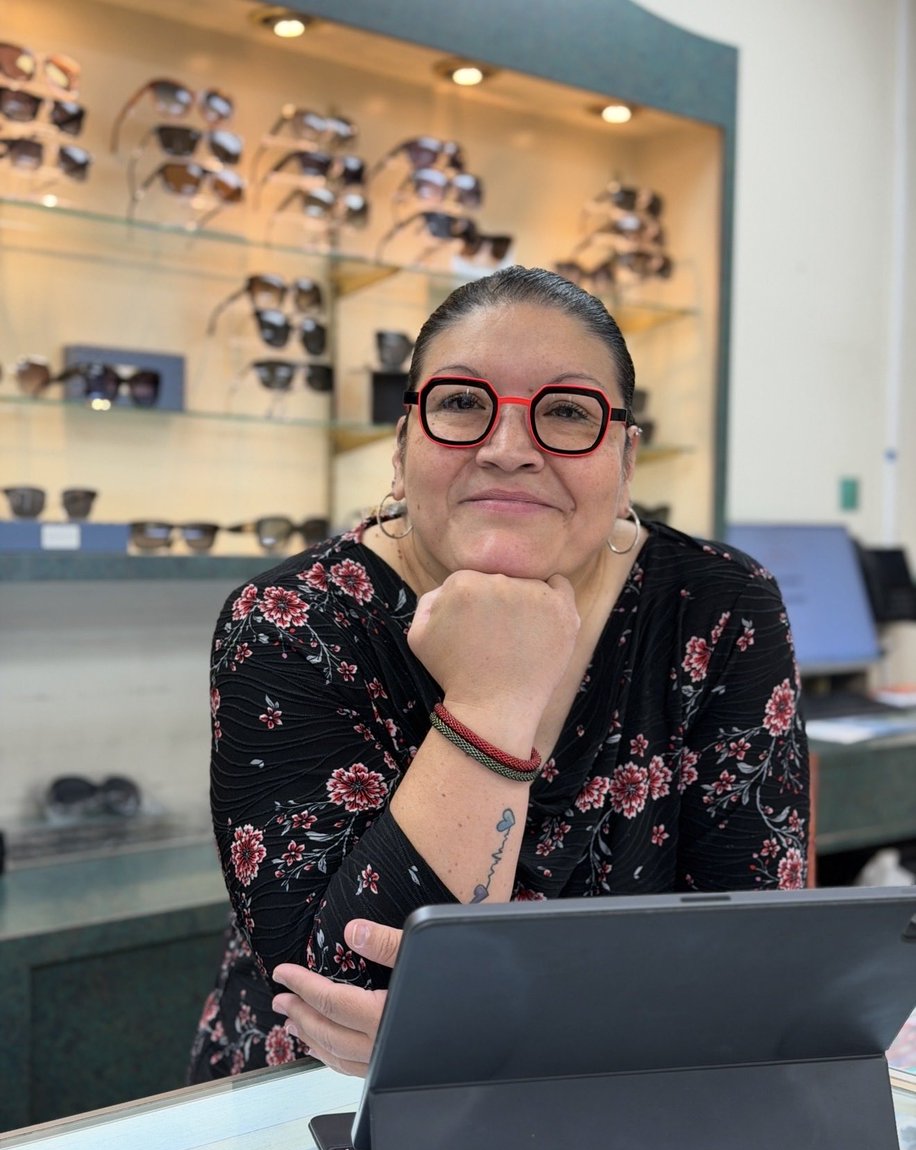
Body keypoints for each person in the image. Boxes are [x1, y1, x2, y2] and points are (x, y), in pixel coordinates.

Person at [189, 265, 810, 1083]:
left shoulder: (719, 604)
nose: (510, 449)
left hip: (615, 1096)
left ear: (625, 458)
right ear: (402, 445)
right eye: (460, 403)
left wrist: (504, 1028)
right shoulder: (294, 619)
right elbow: (338, 997)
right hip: (309, 1108)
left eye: (565, 412)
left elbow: (761, 964)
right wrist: (492, 701)